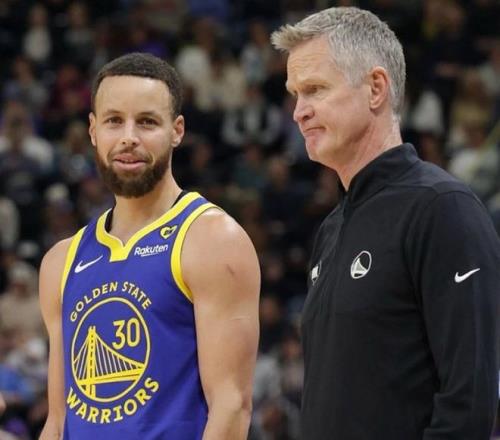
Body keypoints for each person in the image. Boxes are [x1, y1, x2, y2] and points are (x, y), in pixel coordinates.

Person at [271, 7, 500, 440]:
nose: (299, 111)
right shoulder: (331, 229)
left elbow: (468, 404)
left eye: (315, 89)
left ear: (376, 88)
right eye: (295, 94)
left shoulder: (442, 209)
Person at [39, 52, 260, 440]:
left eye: (146, 122)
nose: (129, 137)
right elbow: (58, 423)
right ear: (93, 130)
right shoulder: (61, 260)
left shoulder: (212, 239)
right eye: (114, 121)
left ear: (177, 130)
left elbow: (231, 407)